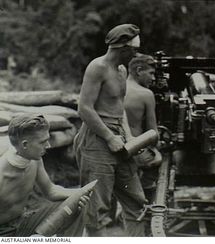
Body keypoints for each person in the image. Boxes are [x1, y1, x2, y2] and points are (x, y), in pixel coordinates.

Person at [74, 24, 147, 237]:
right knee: (96, 209)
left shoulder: (122, 70)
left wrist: (129, 136)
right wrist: (108, 137)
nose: (136, 54)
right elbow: (84, 108)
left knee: (137, 201)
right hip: (97, 140)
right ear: (122, 48)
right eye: (133, 50)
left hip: (119, 138)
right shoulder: (97, 67)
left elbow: (119, 107)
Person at [0, 114, 91, 237]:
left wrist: (81, 192)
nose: (48, 145)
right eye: (42, 142)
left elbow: (51, 191)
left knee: (78, 204)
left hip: (22, 223)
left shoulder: (34, 160)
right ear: (25, 144)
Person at [125, 54, 162, 203]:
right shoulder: (146, 94)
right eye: (151, 73)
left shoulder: (116, 89)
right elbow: (153, 133)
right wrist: (160, 147)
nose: (153, 79)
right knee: (157, 161)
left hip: (116, 147)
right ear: (139, 70)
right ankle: (146, 201)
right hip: (137, 152)